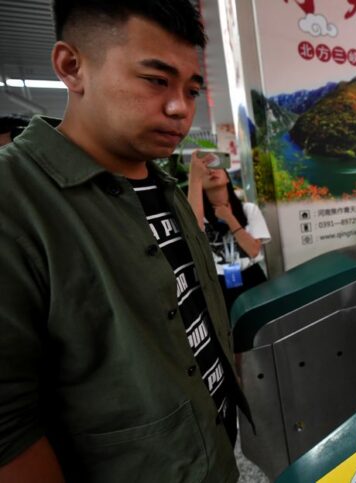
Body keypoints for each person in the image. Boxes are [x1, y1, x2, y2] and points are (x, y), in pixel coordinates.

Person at [0, 2, 250, 482]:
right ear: (72, 67)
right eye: (156, 80)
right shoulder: (16, 202)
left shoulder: (164, 188)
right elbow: (8, 429)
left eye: (191, 89)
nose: (180, 107)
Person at [188, 155, 271, 313]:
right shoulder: (200, 219)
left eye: (217, 168)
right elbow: (192, 231)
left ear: (227, 177)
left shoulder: (248, 210)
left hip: (251, 277)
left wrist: (229, 218)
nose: (212, 171)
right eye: (206, 171)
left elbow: (253, 250)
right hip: (218, 281)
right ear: (200, 184)